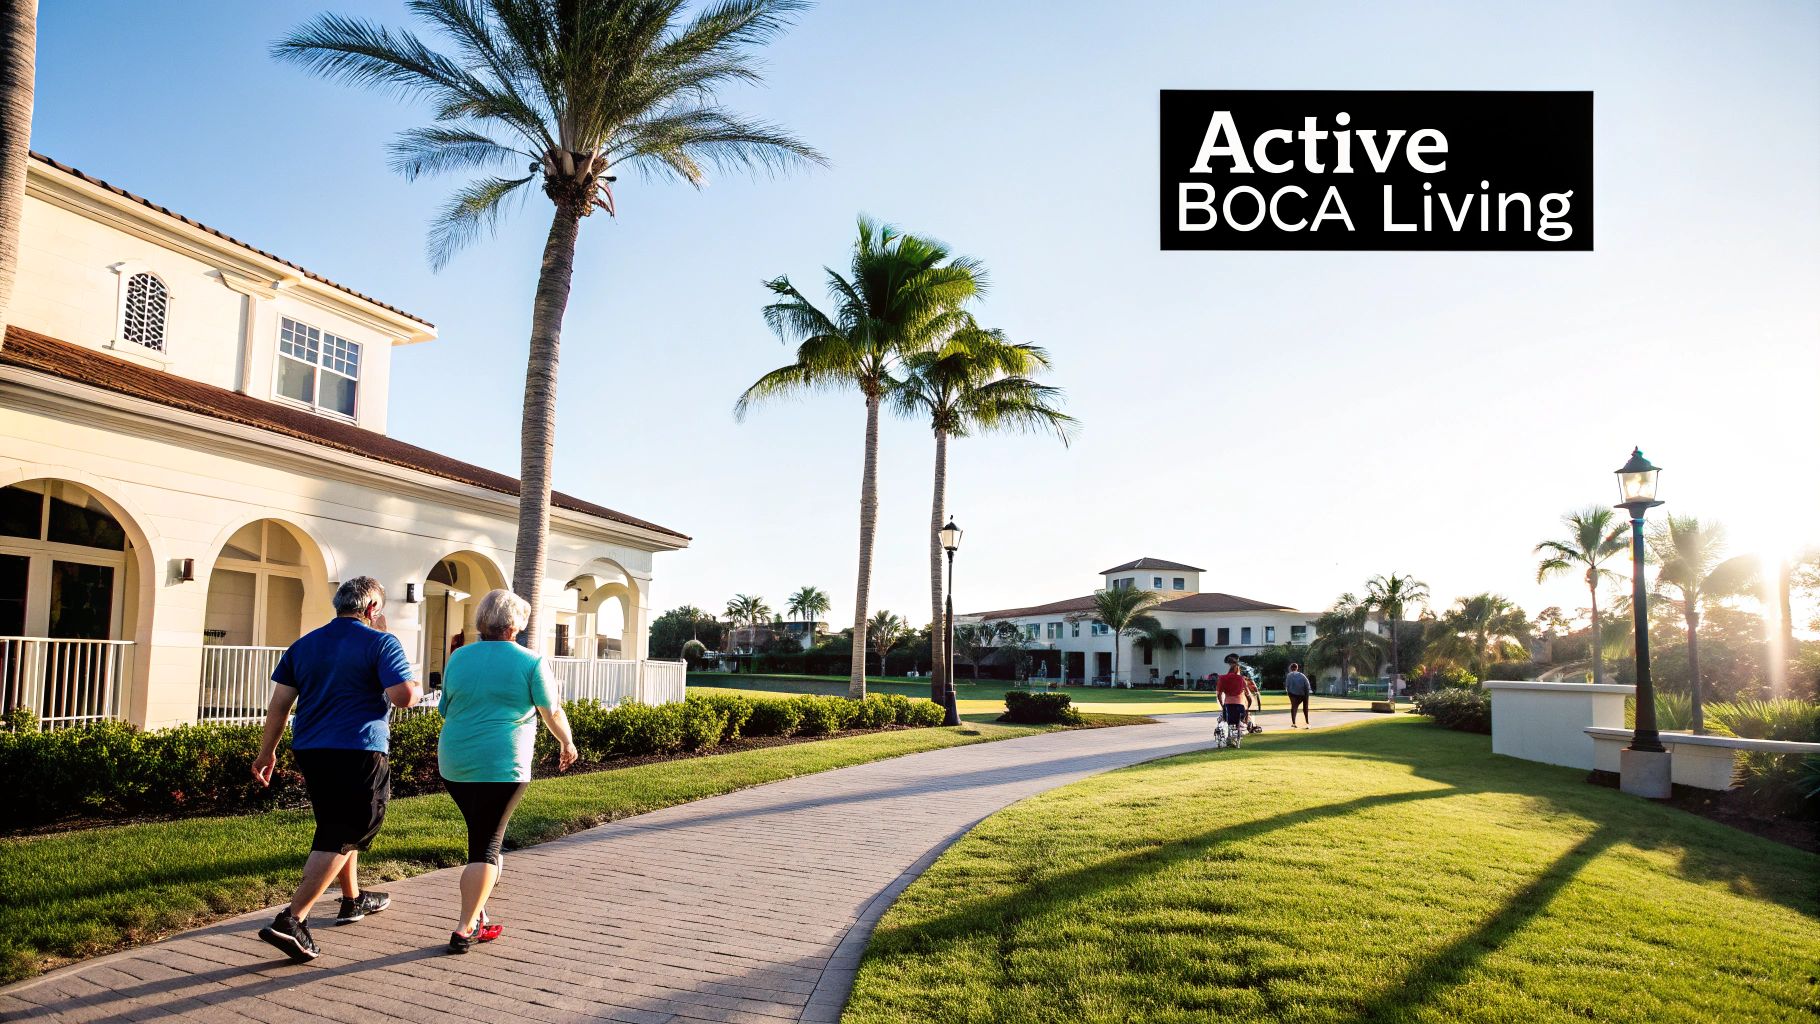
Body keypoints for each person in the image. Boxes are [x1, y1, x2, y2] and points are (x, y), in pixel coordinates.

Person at [252, 576, 419, 963]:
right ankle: (292, 920)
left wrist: (267, 753)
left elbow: (279, 705)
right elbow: (404, 697)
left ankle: (353, 899)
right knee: (348, 829)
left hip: (312, 749)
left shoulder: (305, 644)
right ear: (373, 608)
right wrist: (413, 686)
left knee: (335, 825)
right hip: (358, 750)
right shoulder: (382, 642)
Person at [436, 589, 580, 954]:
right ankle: (464, 927)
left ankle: (479, 914)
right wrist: (567, 743)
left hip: (455, 762)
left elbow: (444, 708)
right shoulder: (531, 662)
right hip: (502, 765)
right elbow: (552, 711)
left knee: (482, 839)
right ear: (515, 624)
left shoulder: (459, 658)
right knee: (485, 848)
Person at [1216, 654, 1249, 738]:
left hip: (1228, 706)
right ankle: (1242, 727)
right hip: (1240, 707)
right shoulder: (1241, 679)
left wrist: (1222, 705)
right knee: (1242, 716)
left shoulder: (1222, 678)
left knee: (1225, 718)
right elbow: (1248, 695)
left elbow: (1219, 695)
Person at [1284, 661, 1313, 728]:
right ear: (1297, 668)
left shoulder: (1289, 675)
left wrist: (1289, 693)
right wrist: (1307, 692)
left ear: (1291, 668)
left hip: (1294, 694)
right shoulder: (1301, 675)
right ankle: (1307, 722)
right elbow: (1307, 684)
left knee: (1294, 707)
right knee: (1305, 707)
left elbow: (1287, 686)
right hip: (1304, 693)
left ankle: (1294, 723)